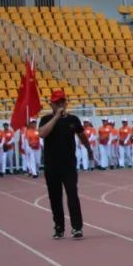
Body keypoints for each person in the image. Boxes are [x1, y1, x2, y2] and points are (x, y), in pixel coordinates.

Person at [39, 89, 93, 240]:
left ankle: (77, 227)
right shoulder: (45, 119)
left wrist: (88, 149)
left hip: (69, 164)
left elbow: (82, 135)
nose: (61, 105)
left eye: (63, 102)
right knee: (54, 197)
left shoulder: (73, 120)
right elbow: (42, 133)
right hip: (51, 165)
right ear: (52, 104)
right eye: (57, 103)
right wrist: (56, 117)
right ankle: (59, 227)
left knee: (72, 194)